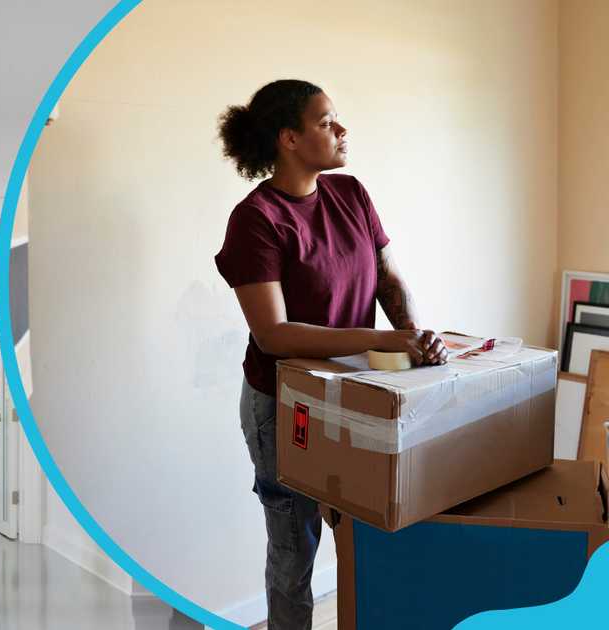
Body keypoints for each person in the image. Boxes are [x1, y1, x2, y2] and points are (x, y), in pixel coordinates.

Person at [213, 79, 447, 629]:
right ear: (289, 138)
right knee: (296, 552)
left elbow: (387, 279)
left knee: (369, 534)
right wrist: (379, 340)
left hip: (355, 395)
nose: (342, 131)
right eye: (326, 121)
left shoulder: (353, 194)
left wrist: (413, 335)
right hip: (284, 404)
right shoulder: (257, 219)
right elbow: (272, 333)